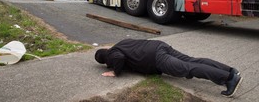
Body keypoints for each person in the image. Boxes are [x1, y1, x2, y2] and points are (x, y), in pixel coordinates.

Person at [95, 39, 242, 98]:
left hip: (156, 57)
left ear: (104, 60)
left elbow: (119, 59)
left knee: (189, 68)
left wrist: (114, 71)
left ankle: (229, 79)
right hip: (160, 45)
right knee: (192, 60)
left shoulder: (113, 55)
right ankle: (230, 70)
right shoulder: (120, 44)